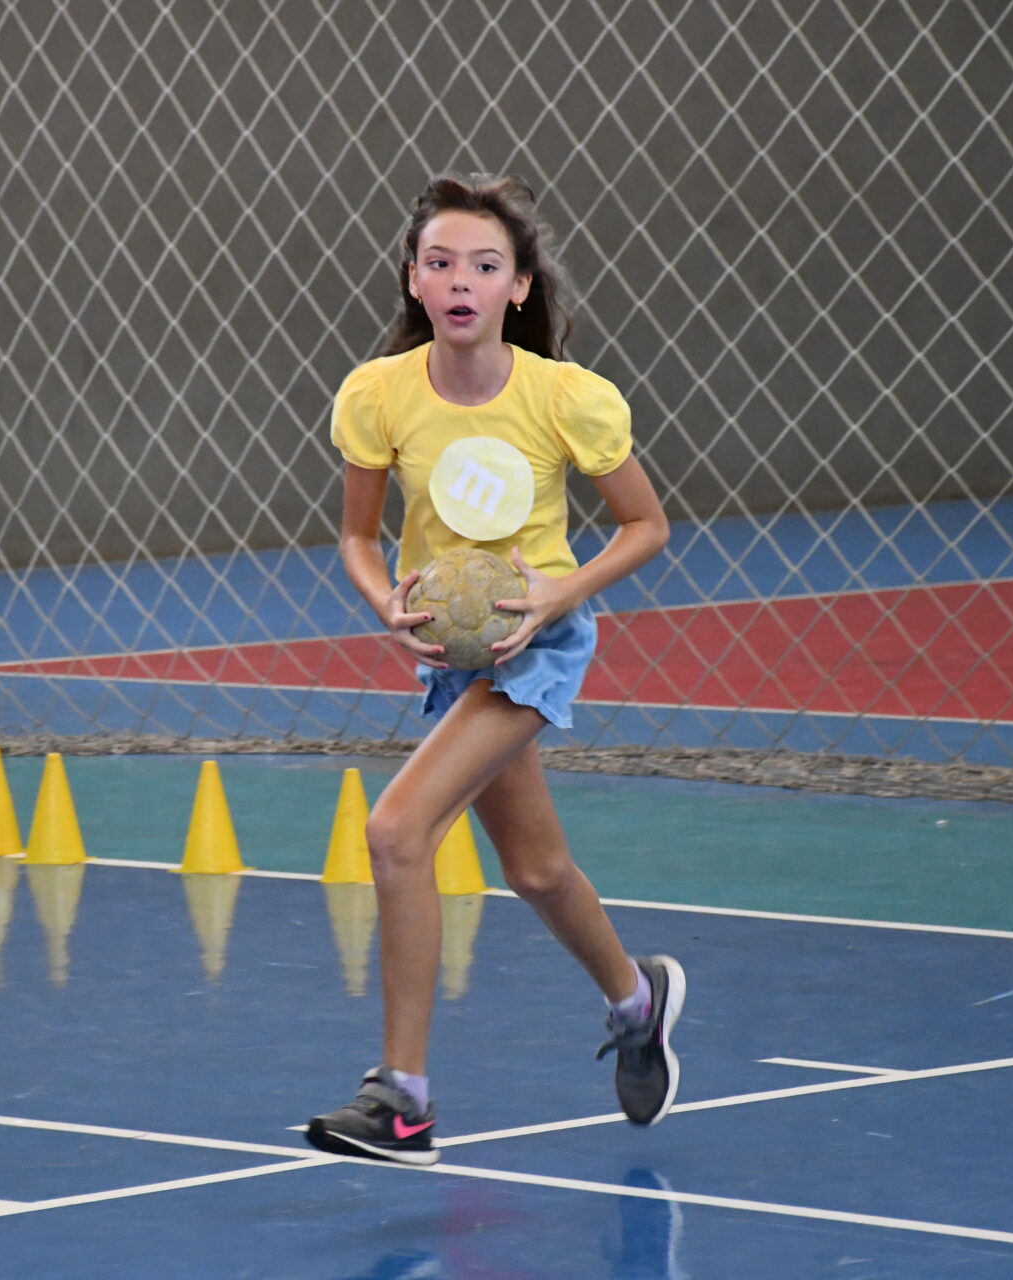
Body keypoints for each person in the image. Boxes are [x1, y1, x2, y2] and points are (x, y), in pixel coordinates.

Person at [305, 174, 682, 1166]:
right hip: (456, 653)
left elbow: (646, 525)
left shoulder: (564, 398)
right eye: (440, 263)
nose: (460, 280)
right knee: (536, 869)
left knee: (396, 831)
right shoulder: (379, 394)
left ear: (518, 286)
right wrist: (386, 602)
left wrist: (559, 595)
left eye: (484, 265)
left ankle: (403, 1099)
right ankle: (638, 1000)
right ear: (414, 281)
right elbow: (356, 538)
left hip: (536, 642)